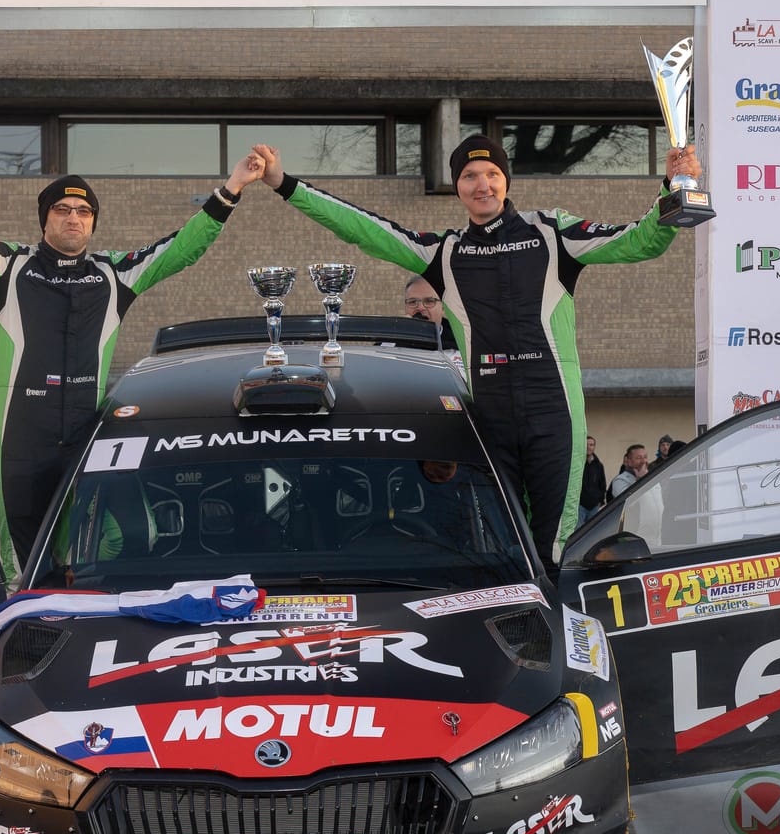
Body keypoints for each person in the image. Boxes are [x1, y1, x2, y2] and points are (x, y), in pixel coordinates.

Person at [256, 132, 700, 564]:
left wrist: (672, 188)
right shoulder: (445, 252)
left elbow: (641, 242)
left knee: (555, 544)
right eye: (469, 175)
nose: (482, 184)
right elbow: (361, 226)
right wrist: (283, 183)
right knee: (500, 541)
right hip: (490, 413)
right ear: (458, 188)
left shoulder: (553, 232)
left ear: (506, 181)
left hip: (555, 410)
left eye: (491, 173)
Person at [0, 144, 259, 572]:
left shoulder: (113, 274)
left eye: (83, 211)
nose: (73, 217)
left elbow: (181, 248)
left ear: (93, 222)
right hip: (17, 441)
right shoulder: (8, 266)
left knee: (133, 535)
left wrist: (232, 188)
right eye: (62, 209)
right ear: (45, 219)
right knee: (22, 563)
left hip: (86, 436)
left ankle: (82, 605)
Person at [403, 276, 458, 350]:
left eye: (429, 301)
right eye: (412, 302)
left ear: (443, 308)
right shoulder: (389, 341)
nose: (420, 307)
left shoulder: (463, 347)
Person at [578, 435, 609, 521]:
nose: (588, 447)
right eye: (586, 444)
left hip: (594, 506)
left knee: (592, 532)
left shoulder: (598, 465)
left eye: (591, 445)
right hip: (579, 506)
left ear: (594, 447)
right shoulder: (577, 464)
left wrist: (600, 500)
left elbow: (602, 484)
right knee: (578, 532)